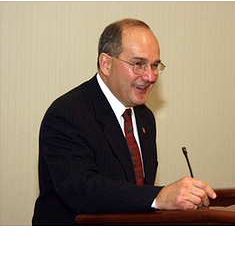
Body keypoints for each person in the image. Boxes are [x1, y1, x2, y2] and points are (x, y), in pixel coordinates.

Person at [32, 18, 216, 225]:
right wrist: (159, 196)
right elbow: (81, 190)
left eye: (155, 65)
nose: (150, 76)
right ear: (106, 64)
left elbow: (133, 193)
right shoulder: (68, 113)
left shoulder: (145, 117)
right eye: (138, 64)